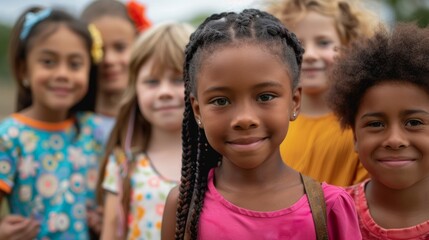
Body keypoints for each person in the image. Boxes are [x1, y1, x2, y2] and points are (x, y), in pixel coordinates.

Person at [161, 9, 361, 240]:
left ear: (294, 102)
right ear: (198, 110)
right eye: (221, 101)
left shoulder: (329, 208)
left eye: (265, 97)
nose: (245, 119)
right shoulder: (184, 208)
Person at [0, 7, 105, 239]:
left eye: (75, 64)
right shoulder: (9, 136)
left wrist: (104, 219)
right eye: (48, 62)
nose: (63, 74)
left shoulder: (94, 130)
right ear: (23, 68)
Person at [327, 23, 429, 240]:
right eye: (375, 124)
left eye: (414, 122)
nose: (395, 140)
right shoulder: (329, 217)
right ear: (355, 136)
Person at [266, 0, 382, 186]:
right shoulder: (268, 124)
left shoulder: (361, 126)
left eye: (324, 42)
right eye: (298, 44)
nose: (310, 54)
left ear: (350, 47)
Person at [97, 22, 194, 240]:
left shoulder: (221, 160)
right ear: (135, 90)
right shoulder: (122, 164)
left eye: (178, 80)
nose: (164, 92)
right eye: (151, 82)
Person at [81, 0, 151, 145]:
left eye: (120, 47)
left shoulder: (157, 120)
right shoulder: (74, 127)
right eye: (98, 49)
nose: (109, 60)